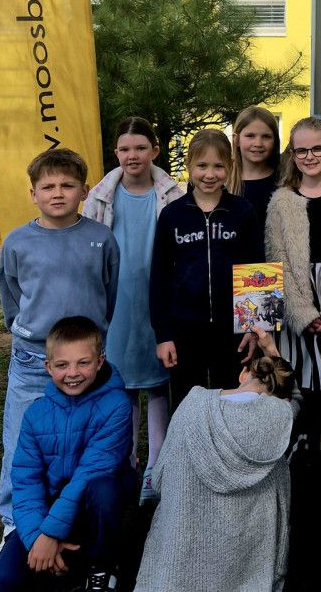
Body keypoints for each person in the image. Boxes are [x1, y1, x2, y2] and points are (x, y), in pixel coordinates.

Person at [0, 148, 120, 540]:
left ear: (84, 191)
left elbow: (109, 293)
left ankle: (77, 514)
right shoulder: (17, 243)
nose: (57, 193)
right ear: (32, 194)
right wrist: (27, 329)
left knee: (82, 438)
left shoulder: (101, 239)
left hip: (85, 359)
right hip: (34, 359)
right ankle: (14, 524)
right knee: (20, 439)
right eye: (48, 187)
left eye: (67, 185)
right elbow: (10, 293)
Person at [135, 326, 297, 591]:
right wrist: (271, 349)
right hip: (248, 572)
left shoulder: (192, 405)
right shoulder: (281, 417)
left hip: (179, 570)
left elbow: (160, 478)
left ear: (243, 373)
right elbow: (293, 394)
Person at [83, 117, 184, 504]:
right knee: (121, 384)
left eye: (141, 148)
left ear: (154, 151)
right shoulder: (101, 197)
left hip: (157, 301)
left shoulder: (172, 195)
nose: (133, 155)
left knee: (158, 384)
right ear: (116, 153)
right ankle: (125, 464)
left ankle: (155, 470)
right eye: (125, 149)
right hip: (117, 303)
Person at [0, 316, 135, 592]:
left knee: (104, 488)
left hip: (94, 504)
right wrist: (37, 538)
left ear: (100, 362)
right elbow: (25, 481)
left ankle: (104, 567)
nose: (73, 373)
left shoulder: (117, 405)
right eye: (62, 365)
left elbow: (90, 473)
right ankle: (67, 562)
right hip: (52, 507)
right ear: (48, 367)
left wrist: (51, 533)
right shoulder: (35, 414)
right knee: (6, 580)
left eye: (83, 363)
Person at [149, 129, 264, 413]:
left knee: (236, 404)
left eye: (218, 166)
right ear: (188, 165)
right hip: (185, 330)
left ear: (230, 166)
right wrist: (163, 335)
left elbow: (256, 270)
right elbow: (160, 278)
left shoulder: (243, 212)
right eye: (201, 165)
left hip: (234, 331)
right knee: (187, 405)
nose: (209, 174)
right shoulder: (172, 215)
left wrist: (255, 329)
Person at [265, 117, 321, 394]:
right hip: (298, 297)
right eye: (301, 150)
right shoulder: (280, 202)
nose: (309, 156)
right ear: (292, 155)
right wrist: (301, 313)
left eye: (317, 149)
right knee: (300, 390)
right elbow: (277, 261)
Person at [228, 106, 282, 234]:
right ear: (236, 139)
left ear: (275, 141)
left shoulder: (284, 181)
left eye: (266, 137)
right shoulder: (223, 182)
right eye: (250, 136)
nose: (258, 143)